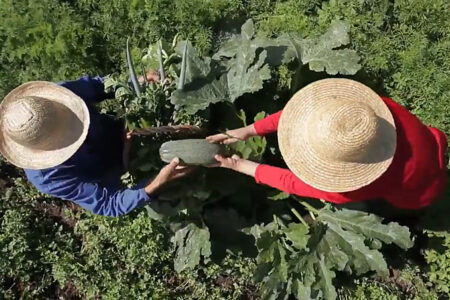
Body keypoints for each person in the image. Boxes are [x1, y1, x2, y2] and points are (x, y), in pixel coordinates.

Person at [207, 79, 448, 211]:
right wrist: (250, 130)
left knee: (384, 203)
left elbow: (291, 182)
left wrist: (238, 166)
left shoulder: (345, 190)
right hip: (430, 143)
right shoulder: (374, 113)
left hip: (420, 187)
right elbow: (299, 114)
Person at [0, 75, 193, 217]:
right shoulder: (48, 178)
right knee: (175, 195)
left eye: (72, 125)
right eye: (67, 140)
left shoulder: (55, 100)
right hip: (124, 172)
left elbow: (101, 85)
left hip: (126, 128)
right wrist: (156, 183)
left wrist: (137, 81)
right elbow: (108, 204)